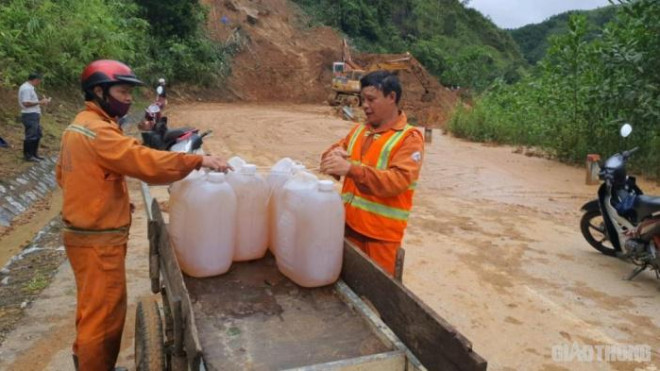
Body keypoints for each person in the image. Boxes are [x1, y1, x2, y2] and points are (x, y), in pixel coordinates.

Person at [56, 59, 230, 371]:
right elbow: (143, 162)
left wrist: (108, 198)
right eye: (122, 91)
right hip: (98, 240)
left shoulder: (80, 126)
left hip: (84, 233)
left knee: (91, 309)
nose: (128, 98)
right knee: (104, 316)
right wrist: (195, 162)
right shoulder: (98, 132)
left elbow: (66, 176)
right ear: (99, 90)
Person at [320, 70, 424, 276]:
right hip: (347, 228)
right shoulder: (359, 131)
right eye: (362, 100)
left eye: (371, 99)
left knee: (377, 299)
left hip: (381, 238)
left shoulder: (409, 139)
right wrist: (333, 155)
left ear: (391, 97)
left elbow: (397, 180)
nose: (364, 106)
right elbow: (326, 159)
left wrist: (351, 169)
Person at [18, 72, 51, 162]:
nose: (39, 83)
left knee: (37, 134)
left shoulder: (30, 88)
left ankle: (34, 154)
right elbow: (26, 103)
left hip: (34, 114)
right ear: (35, 80)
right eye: (39, 81)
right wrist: (40, 102)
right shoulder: (26, 88)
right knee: (31, 135)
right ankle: (28, 156)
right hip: (29, 115)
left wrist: (42, 101)